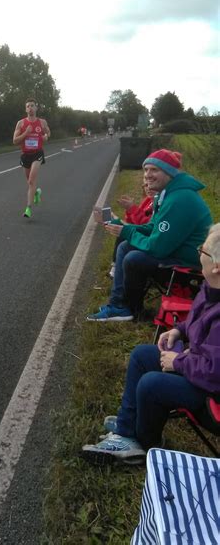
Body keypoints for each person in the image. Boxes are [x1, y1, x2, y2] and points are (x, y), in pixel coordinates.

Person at [82, 223, 220, 465]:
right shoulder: (211, 289)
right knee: (142, 355)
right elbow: (198, 324)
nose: (198, 252)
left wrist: (179, 362)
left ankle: (144, 445)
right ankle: (127, 428)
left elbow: (214, 373)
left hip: (213, 398)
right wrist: (179, 330)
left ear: (217, 266)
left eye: (203, 250)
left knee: (152, 384)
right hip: (200, 370)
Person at [88, 149, 212, 321]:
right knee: (125, 245)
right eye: (146, 170)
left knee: (135, 258)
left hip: (190, 264)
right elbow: (152, 227)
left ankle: (134, 310)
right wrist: (123, 228)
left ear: (169, 173)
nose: (147, 175)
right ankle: (119, 305)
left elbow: (158, 249)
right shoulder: (169, 194)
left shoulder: (180, 199)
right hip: (176, 251)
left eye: (154, 170)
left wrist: (128, 231)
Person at [107, 180, 156, 278]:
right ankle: (116, 266)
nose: (148, 188)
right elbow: (133, 222)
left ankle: (116, 267)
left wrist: (132, 208)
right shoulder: (148, 200)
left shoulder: (157, 202)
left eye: (151, 184)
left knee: (123, 233)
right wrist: (129, 210)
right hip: (143, 234)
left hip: (149, 238)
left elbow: (146, 224)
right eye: (145, 185)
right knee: (120, 228)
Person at [12, 98, 51, 218]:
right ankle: (36, 193)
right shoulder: (21, 123)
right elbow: (14, 141)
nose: (30, 108)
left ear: (36, 108)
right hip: (25, 155)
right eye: (28, 106)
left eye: (32, 106)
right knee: (30, 182)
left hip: (37, 154)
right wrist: (26, 133)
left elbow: (48, 133)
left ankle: (28, 208)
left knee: (31, 181)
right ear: (25, 109)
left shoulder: (42, 122)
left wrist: (46, 137)